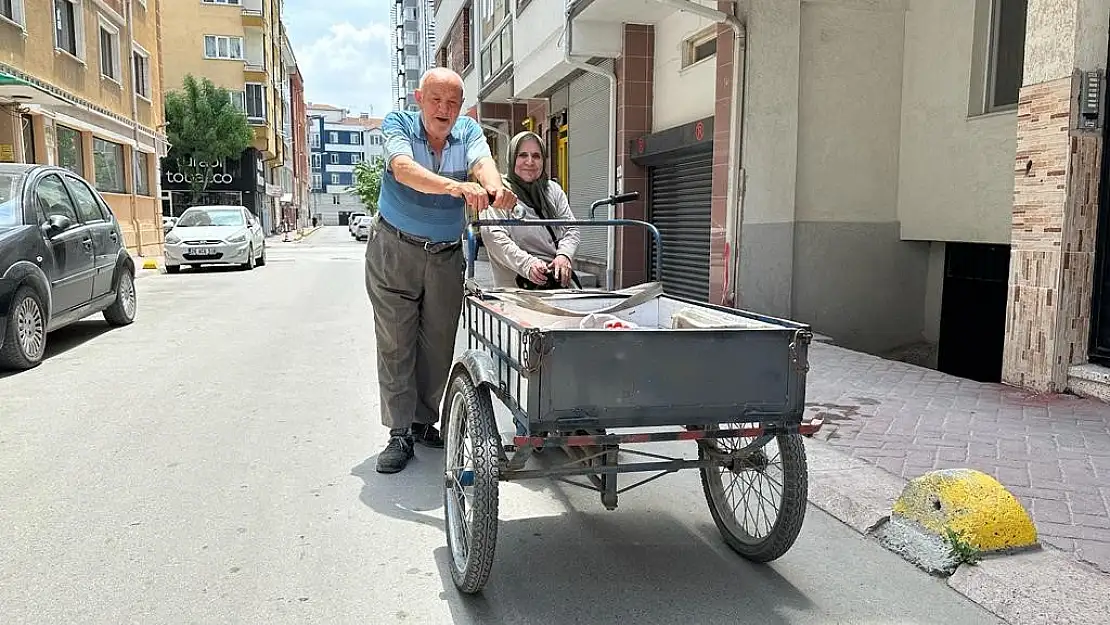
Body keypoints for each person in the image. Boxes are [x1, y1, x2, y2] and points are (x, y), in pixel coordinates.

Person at [366, 67, 517, 474]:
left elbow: (483, 163)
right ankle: (399, 433)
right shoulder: (399, 125)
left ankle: (421, 422)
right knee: (397, 342)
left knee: (437, 344)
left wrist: (495, 187)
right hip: (395, 249)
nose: (444, 109)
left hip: (447, 254)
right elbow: (402, 169)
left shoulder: (467, 131)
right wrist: (456, 188)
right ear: (419, 99)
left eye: (452, 102)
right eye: (436, 100)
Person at [479, 131, 581, 289]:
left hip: (558, 285)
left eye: (536, 156)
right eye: (522, 155)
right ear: (512, 158)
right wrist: (528, 265)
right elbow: (494, 237)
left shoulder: (552, 190)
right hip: (517, 289)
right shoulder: (499, 193)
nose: (530, 161)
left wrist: (564, 255)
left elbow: (571, 228)